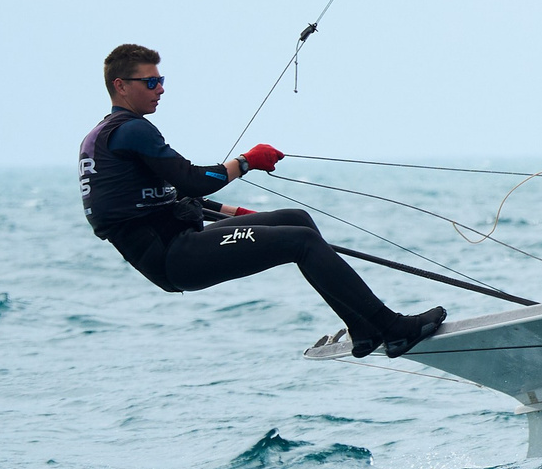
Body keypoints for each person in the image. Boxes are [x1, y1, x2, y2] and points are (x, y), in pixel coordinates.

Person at [78, 42, 445, 358]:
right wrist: (246, 161)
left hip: (173, 245)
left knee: (296, 219)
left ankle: (363, 329)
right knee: (299, 242)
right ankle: (395, 328)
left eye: (162, 81)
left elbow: (164, 197)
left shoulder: (103, 138)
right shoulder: (132, 130)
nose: (160, 89)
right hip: (174, 256)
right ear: (121, 86)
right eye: (151, 82)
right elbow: (192, 180)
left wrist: (235, 214)